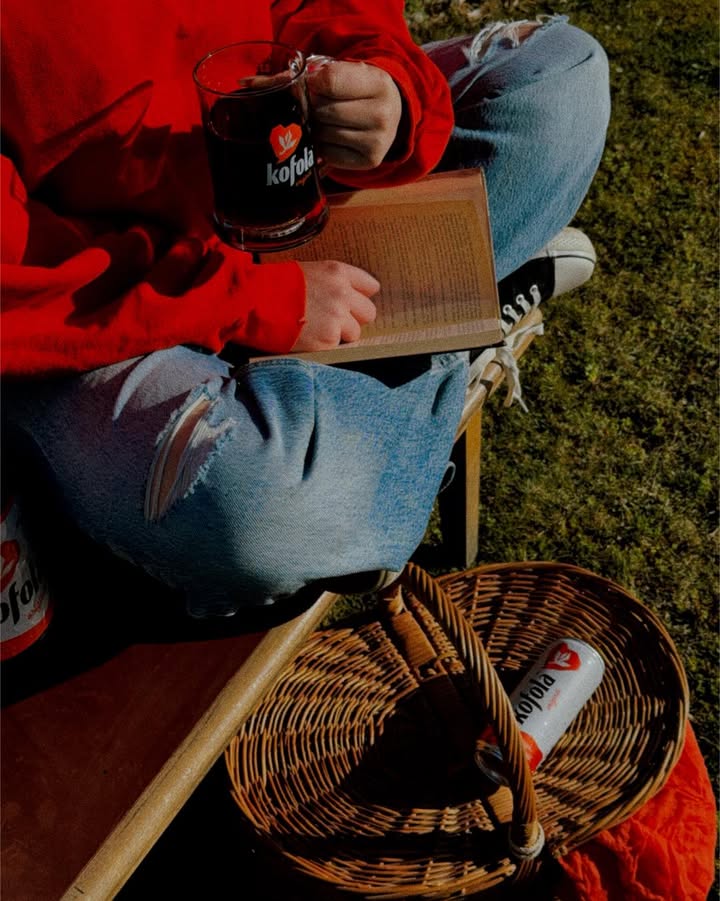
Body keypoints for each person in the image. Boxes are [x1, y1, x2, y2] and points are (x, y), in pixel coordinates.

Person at [0, 1, 610, 615]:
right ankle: (462, 314)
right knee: (257, 506)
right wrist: (254, 300)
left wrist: (386, 91)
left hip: (292, 188)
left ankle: (355, 391)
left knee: (562, 77)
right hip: (89, 310)